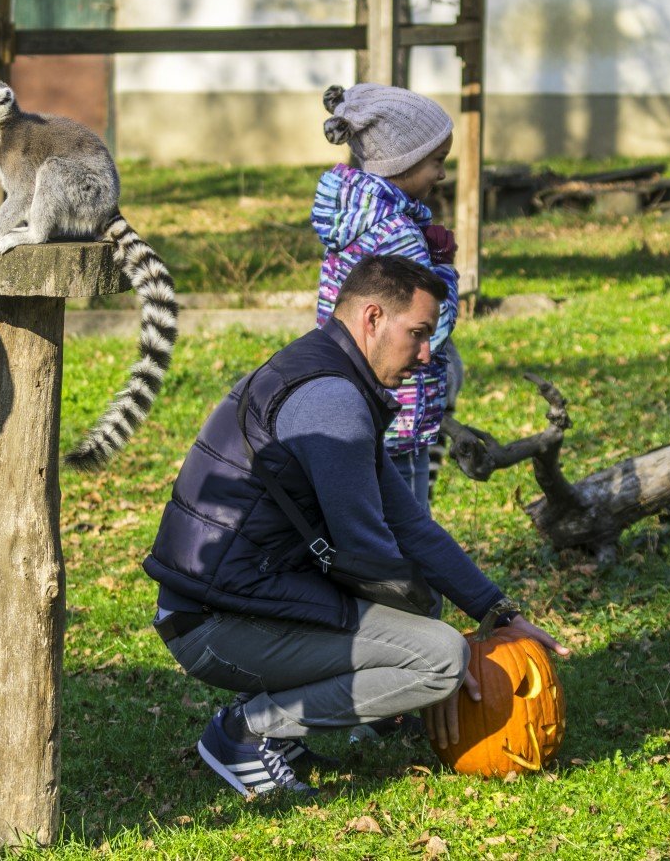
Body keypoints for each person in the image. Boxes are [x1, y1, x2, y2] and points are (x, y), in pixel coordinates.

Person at [144, 254, 569, 796]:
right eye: (418, 333)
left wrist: (498, 612)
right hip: (212, 627)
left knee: (425, 622)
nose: (426, 354)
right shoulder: (334, 401)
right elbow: (368, 552)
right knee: (439, 659)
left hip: (222, 602)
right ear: (372, 318)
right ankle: (248, 732)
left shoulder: (324, 372)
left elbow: (410, 527)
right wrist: (436, 653)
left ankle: (283, 718)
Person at [311, 83, 461, 512]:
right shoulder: (399, 234)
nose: (442, 174)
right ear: (405, 161)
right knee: (409, 524)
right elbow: (432, 328)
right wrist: (444, 268)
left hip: (354, 399)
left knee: (370, 516)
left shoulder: (353, 218)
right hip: (400, 408)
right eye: (437, 161)